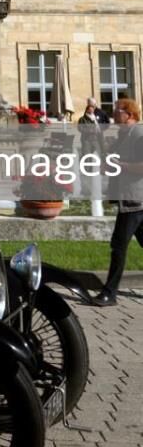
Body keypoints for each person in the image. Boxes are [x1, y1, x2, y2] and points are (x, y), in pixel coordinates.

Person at [94, 97, 143, 306]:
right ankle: (109, 291)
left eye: (117, 112)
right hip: (130, 199)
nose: (113, 115)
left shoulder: (139, 134)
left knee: (118, 245)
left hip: (135, 200)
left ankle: (109, 292)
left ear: (129, 114)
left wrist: (120, 165)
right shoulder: (123, 136)